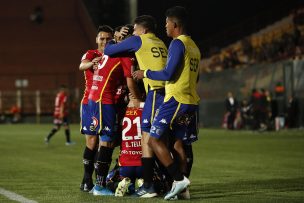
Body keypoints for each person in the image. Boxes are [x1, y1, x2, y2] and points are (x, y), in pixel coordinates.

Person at [132, 6, 201, 200]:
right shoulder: (194, 46)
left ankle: (179, 180)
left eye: (167, 23)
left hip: (175, 99)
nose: (165, 27)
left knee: (153, 139)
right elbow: (197, 77)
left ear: (175, 24)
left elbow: (168, 74)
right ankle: (183, 191)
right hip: (191, 101)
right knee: (178, 144)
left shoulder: (178, 44)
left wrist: (144, 73)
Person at [104, 15, 168, 197]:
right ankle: (162, 182)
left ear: (144, 30)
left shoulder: (138, 40)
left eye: (135, 29)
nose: (133, 32)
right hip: (167, 93)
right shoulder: (161, 43)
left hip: (155, 93)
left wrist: (115, 37)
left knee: (148, 136)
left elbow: (109, 51)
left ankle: (169, 182)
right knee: (164, 140)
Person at [83, 25, 141, 196]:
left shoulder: (111, 49)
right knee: (106, 142)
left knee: (104, 142)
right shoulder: (125, 54)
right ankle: (99, 186)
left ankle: (97, 182)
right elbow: (130, 83)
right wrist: (138, 99)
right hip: (104, 99)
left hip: (95, 98)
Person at [78, 25, 105, 192]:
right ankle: (87, 179)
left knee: (106, 144)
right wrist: (91, 63)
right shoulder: (91, 54)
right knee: (92, 142)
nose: (104, 42)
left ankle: (100, 181)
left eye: (108, 39)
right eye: (101, 38)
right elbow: (81, 66)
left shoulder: (114, 55)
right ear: (96, 39)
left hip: (109, 104)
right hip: (90, 103)